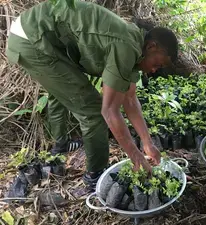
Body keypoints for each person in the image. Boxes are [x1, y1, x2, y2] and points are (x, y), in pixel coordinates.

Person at [6, 0, 178, 189]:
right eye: (158, 64)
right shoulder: (127, 46)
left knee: (64, 90)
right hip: (32, 38)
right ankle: (95, 176)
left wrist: (147, 144)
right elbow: (109, 110)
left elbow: (129, 98)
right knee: (93, 111)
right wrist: (135, 157)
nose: (154, 70)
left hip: (39, 35)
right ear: (152, 46)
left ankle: (60, 146)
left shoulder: (136, 48)